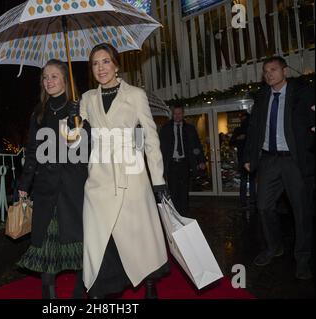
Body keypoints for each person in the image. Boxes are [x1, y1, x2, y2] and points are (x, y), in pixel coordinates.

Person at [79, 43, 169, 299]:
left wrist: (158, 180)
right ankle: (104, 288)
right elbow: (79, 140)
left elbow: (150, 139)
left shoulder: (136, 95)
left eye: (106, 61)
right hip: (99, 178)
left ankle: (149, 283)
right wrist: (72, 134)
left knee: (139, 235)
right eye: (95, 63)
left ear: (116, 65)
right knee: (100, 238)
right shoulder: (86, 99)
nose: (101, 68)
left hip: (131, 175)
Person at [17, 59, 89, 299]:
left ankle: (79, 294)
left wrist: (77, 121)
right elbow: (32, 150)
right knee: (45, 246)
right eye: (45, 77)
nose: (49, 81)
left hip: (73, 188)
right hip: (46, 188)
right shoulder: (38, 113)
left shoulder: (79, 109)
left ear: (65, 80)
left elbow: (84, 150)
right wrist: (24, 184)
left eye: (54, 76)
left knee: (78, 245)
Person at [244, 56, 314, 280]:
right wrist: (248, 156)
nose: (268, 74)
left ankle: (302, 260)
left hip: (294, 160)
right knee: (263, 207)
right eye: (265, 71)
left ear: (285, 70)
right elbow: (253, 129)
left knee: (301, 212)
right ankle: (275, 247)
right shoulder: (262, 97)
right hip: (269, 160)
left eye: (273, 69)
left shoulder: (302, 93)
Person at [159, 106, 206, 215]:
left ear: (183, 114)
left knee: (184, 191)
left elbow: (197, 145)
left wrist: (201, 160)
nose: (177, 116)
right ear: (172, 114)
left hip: (184, 164)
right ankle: (175, 215)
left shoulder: (190, 128)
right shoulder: (166, 128)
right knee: (173, 191)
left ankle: (184, 214)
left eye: (179, 113)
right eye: (175, 114)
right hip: (171, 164)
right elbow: (160, 147)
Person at [229, 113, 256, 209]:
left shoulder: (250, 130)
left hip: (247, 158)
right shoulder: (246, 130)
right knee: (248, 180)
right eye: (242, 118)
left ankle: (248, 201)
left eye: (243, 118)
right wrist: (238, 138)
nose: (243, 120)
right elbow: (231, 142)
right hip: (245, 158)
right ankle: (247, 201)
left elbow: (231, 142)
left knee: (248, 180)